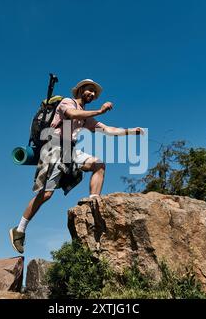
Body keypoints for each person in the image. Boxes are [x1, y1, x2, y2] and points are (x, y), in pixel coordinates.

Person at [9, 79, 144, 254]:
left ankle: (93, 202)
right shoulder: (67, 102)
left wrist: (131, 131)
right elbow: (71, 114)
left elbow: (108, 130)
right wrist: (100, 111)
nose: (93, 94)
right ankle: (19, 230)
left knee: (99, 165)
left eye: (94, 93)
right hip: (55, 146)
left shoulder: (86, 116)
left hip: (70, 150)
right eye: (90, 90)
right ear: (80, 90)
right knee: (46, 194)